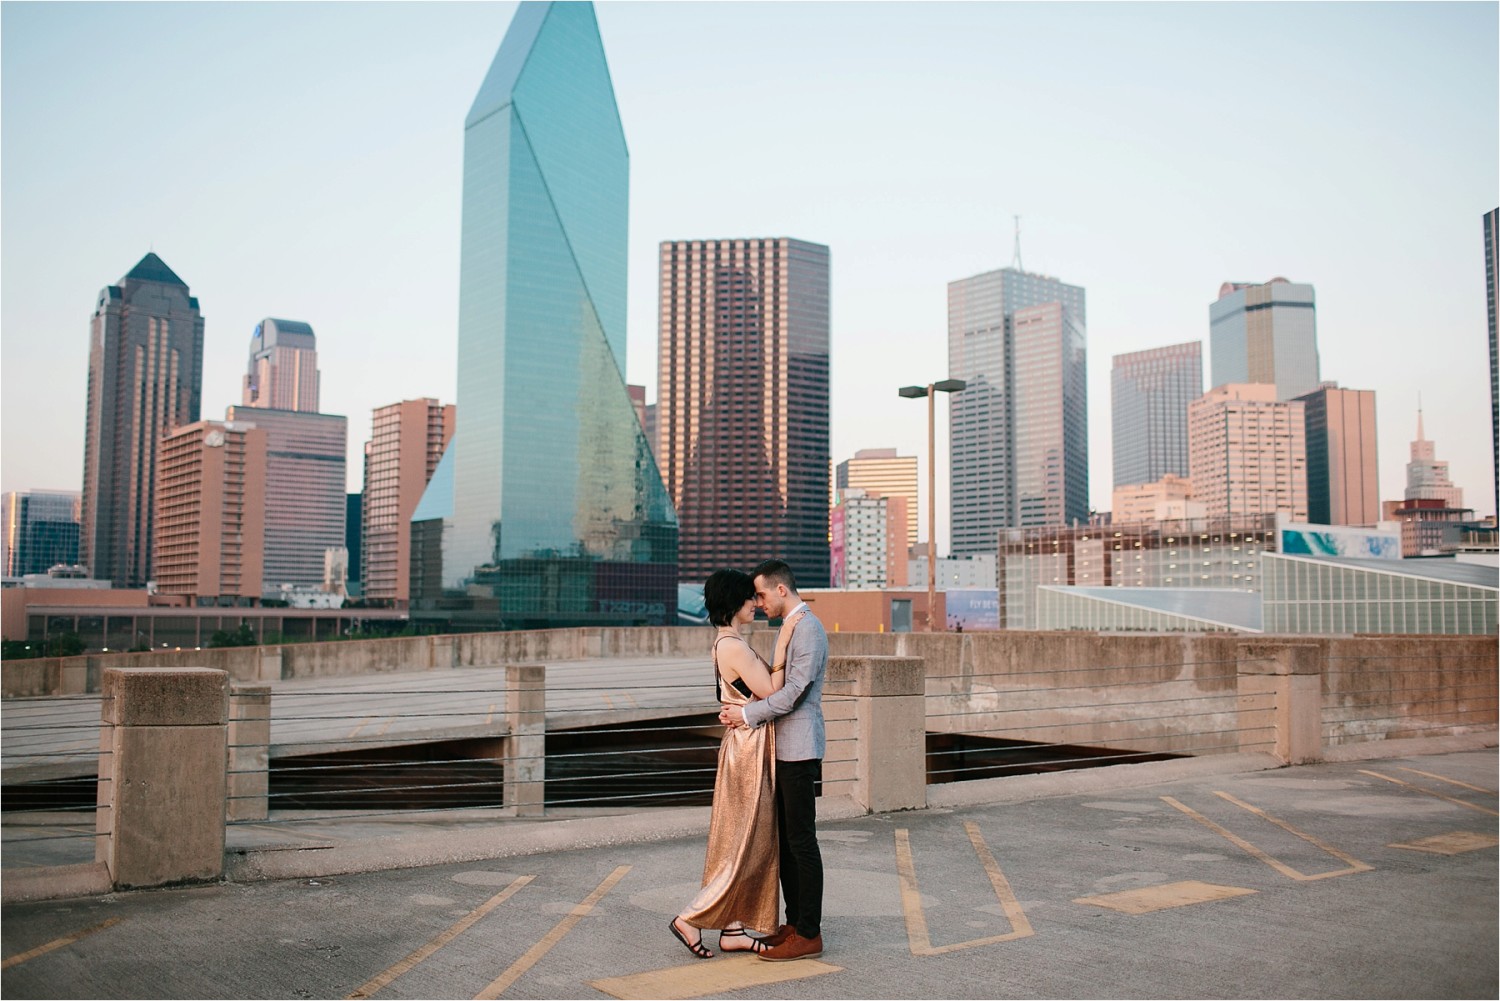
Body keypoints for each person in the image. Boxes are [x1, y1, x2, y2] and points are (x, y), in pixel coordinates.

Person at [669, 569, 785, 960]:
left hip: (743, 742)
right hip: (749, 747)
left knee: (740, 839)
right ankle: (691, 917)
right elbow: (773, 692)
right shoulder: (733, 646)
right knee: (747, 842)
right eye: (750, 598)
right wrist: (785, 651)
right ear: (736, 603)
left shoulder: (725, 642)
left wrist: (744, 707)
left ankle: (733, 929)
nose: (756, 603)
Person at [719, 559, 827, 962]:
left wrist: (746, 716)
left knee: (802, 843)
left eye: (761, 594)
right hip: (781, 749)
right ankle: (795, 923)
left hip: (799, 749)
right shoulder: (788, 630)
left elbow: (795, 692)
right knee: (785, 844)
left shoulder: (808, 629)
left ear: (781, 590)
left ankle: (810, 933)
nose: (757, 601)